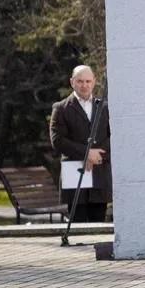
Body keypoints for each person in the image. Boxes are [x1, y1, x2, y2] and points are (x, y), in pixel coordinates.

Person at [49, 65, 112, 223]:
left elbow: (114, 137)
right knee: (78, 225)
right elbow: (57, 140)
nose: (84, 85)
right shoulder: (61, 108)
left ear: (94, 82)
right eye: (80, 81)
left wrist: (97, 156)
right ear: (72, 82)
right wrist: (87, 153)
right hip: (75, 174)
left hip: (99, 174)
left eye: (88, 81)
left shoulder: (105, 107)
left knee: (98, 225)